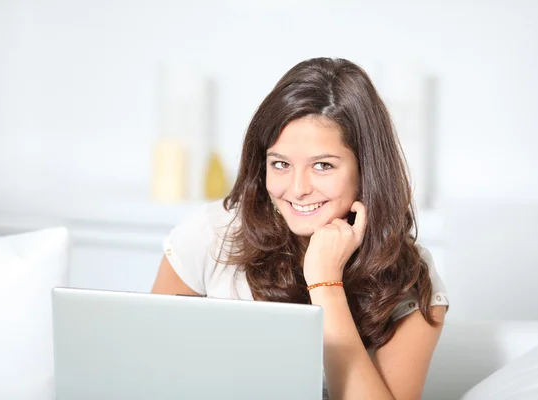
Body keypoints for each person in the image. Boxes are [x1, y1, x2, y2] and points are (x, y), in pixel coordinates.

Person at [152, 57, 449, 400]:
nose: (296, 189)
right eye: (280, 164)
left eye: (322, 166)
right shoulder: (210, 235)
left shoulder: (409, 276)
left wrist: (326, 283)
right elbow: (149, 373)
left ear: (366, 170)